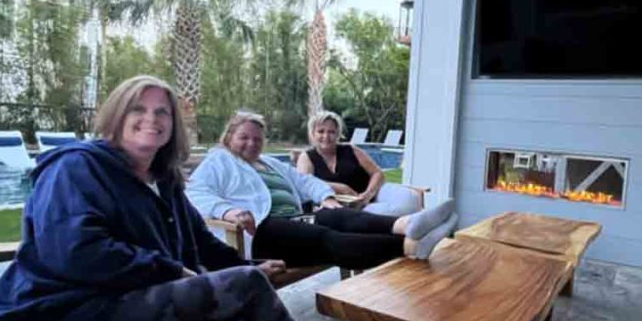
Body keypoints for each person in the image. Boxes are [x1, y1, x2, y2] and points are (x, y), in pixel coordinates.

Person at [0, 76, 332, 321]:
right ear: (117, 115)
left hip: (122, 315)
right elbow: (76, 252)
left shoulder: (163, 181)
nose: (152, 119)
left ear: (173, 124)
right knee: (250, 290)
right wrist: (173, 270)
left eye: (162, 112)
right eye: (138, 109)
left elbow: (203, 244)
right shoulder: (75, 169)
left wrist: (249, 267)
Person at [186, 111, 457, 270]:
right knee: (326, 236)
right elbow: (194, 194)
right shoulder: (219, 160)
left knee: (337, 215)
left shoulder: (268, 162)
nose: (252, 143)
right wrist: (229, 210)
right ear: (229, 137)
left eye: (257, 138)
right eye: (244, 137)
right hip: (260, 230)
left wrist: (325, 197)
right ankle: (411, 245)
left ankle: (409, 224)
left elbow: (306, 182)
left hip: (294, 220)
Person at [296, 111, 417, 216]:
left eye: (331, 132)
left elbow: (377, 173)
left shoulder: (351, 150)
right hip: (339, 206)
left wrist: (367, 195)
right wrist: (341, 188)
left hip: (371, 195)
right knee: (400, 209)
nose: (326, 136)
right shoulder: (307, 157)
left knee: (410, 198)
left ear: (338, 133)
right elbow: (305, 183)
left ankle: (375, 215)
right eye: (321, 131)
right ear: (312, 134)